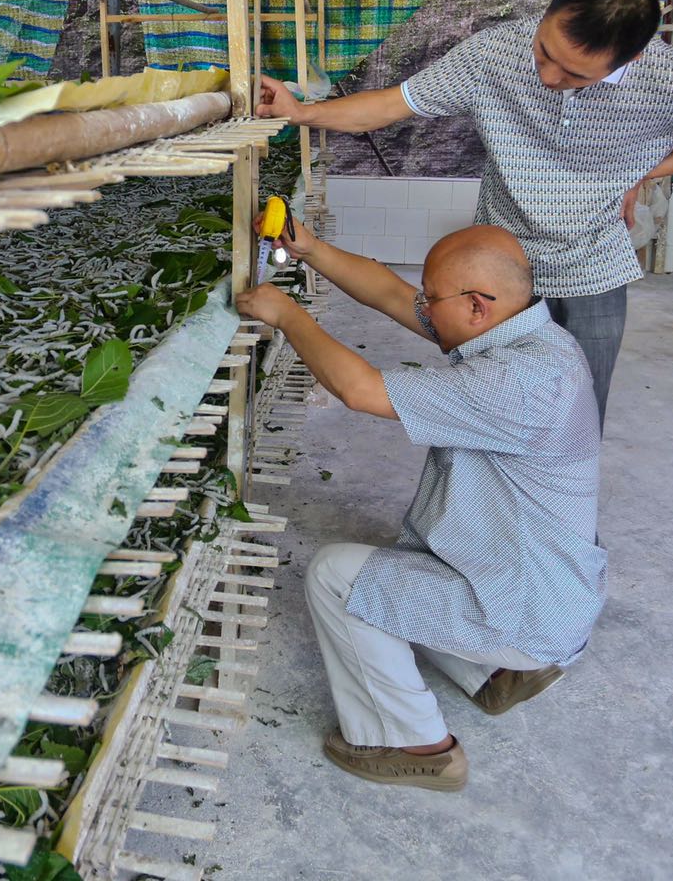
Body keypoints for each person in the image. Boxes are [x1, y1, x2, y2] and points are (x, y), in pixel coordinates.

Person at [255, 0, 673, 428]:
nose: (549, 76)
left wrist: (643, 168)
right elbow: (392, 104)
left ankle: (554, 528)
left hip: (591, 267)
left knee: (572, 419)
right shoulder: (496, 51)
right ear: (548, 13)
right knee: (478, 400)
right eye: (545, 53)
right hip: (498, 262)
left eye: (574, 74)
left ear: (632, 57)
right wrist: (303, 113)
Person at [235, 224, 603, 792]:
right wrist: (312, 250)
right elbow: (388, 293)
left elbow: (361, 391)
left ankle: (413, 743)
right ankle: (501, 672)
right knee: (413, 556)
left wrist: (288, 316)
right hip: (549, 590)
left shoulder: (518, 381)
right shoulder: (527, 336)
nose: (424, 309)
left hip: (530, 609)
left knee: (336, 575)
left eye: (433, 298)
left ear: (477, 305)